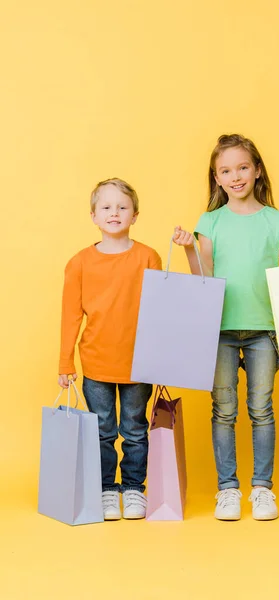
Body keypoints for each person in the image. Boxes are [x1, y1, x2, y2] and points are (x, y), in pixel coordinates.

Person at [174, 134, 279, 520]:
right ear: (216, 177)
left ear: (257, 169)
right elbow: (204, 277)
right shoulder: (209, 221)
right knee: (223, 410)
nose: (236, 176)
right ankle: (227, 490)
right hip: (221, 328)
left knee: (261, 409)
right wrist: (187, 248)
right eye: (226, 170)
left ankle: (262, 489)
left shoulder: (277, 219)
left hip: (265, 329)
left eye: (243, 167)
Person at [58, 178, 161, 521]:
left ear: (135, 215)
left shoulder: (149, 256)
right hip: (96, 364)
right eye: (106, 207)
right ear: (93, 216)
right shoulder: (79, 263)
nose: (114, 213)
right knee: (102, 432)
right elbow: (70, 317)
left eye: (122, 207)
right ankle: (105, 490)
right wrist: (64, 363)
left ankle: (133, 489)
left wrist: (163, 362)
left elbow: (162, 310)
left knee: (134, 431)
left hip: (140, 364)